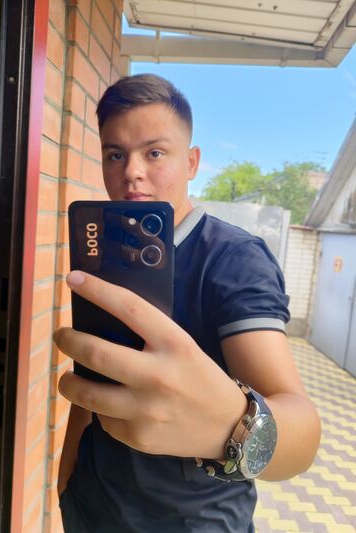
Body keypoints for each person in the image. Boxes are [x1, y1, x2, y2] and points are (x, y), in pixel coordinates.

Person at [53, 74, 321, 532]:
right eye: (115, 154)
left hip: (194, 522)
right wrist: (66, 483)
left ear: (192, 162)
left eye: (154, 153)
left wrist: (230, 425)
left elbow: (302, 433)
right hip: (91, 508)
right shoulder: (108, 252)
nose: (131, 171)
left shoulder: (233, 258)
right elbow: (97, 375)